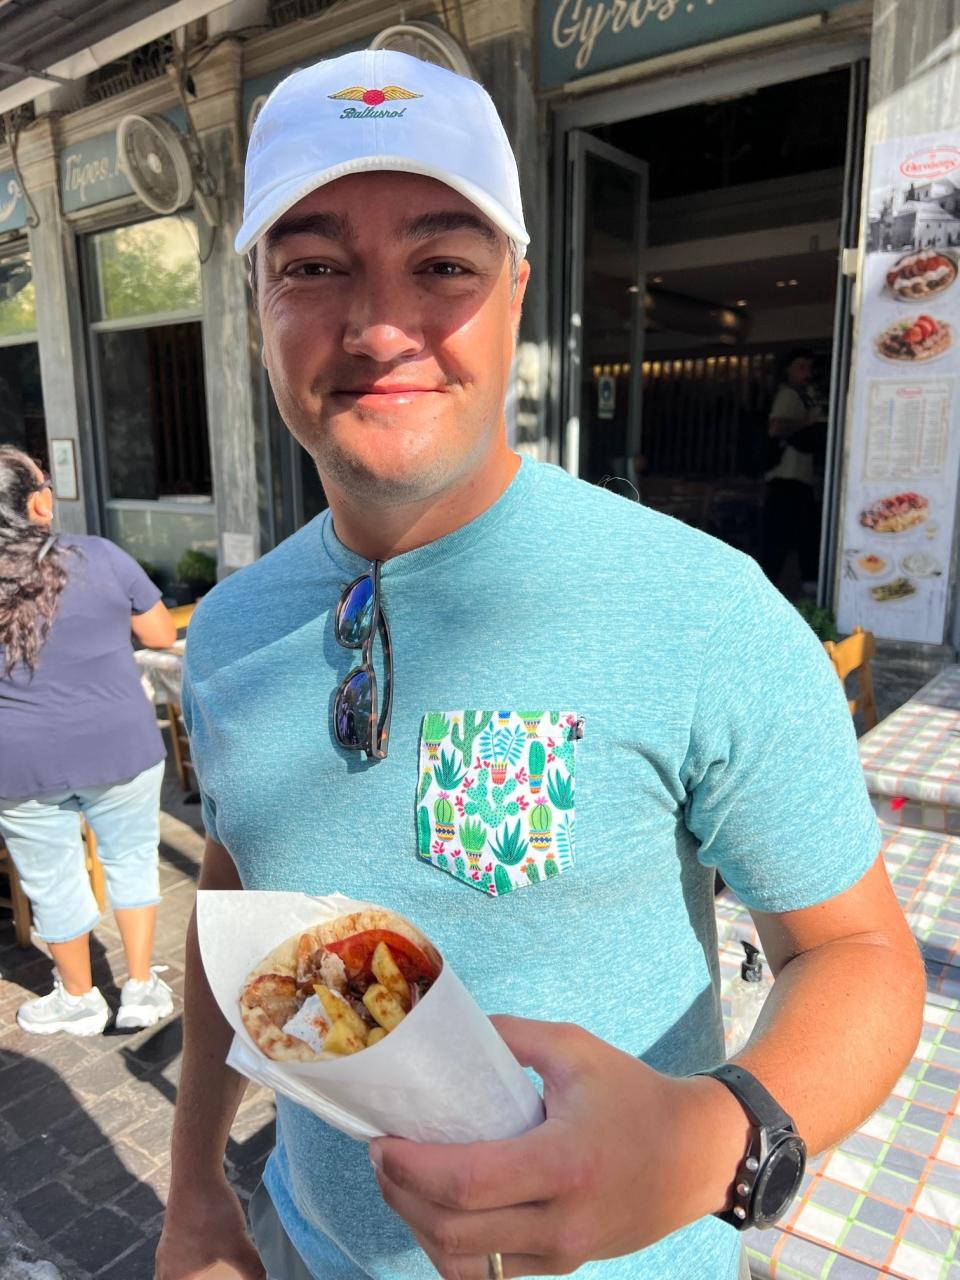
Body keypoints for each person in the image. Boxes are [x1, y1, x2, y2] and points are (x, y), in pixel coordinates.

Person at [156, 50, 925, 1280]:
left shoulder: (696, 607)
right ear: (256, 302)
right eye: (311, 265)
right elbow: (238, 904)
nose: (380, 324)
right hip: (309, 1246)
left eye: (443, 263)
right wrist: (196, 1186)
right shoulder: (232, 630)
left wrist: (707, 1141)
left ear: (518, 290)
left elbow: (861, 953)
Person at [0, 445, 176, 1035]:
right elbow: (156, 630)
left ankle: (79, 997)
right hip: (120, 746)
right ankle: (142, 987)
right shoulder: (97, 555)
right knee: (131, 859)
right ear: (39, 501)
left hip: (19, 763)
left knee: (50, 880)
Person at [761, 349, 828, 595]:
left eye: (808, 368)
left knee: (800, 539)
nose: (806, 373)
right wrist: (809, 423)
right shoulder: (788, 394)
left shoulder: (805, 396)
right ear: (787, 369)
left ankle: (805, 594)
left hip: (798, 478)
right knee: (784, 542)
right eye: (800, 367)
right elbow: (776, 428)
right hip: (785, 479)